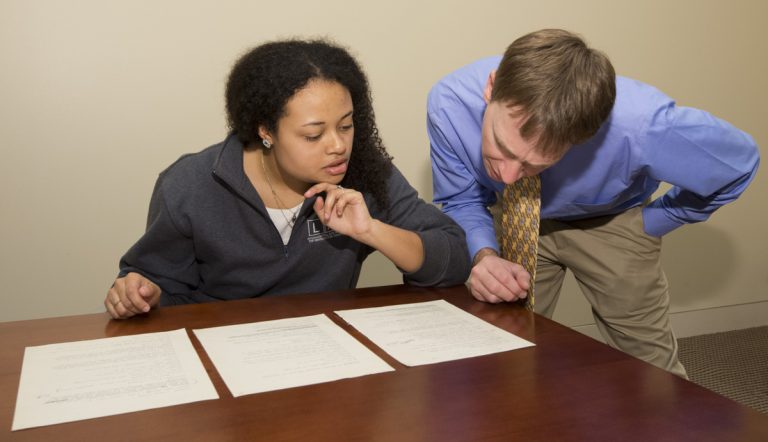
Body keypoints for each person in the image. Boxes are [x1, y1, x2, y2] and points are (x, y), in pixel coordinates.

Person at [427, 29, 759, 377]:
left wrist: (651, 223)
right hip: (516, 215)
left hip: (611, 221)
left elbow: (737, 165)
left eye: (534, 164)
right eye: (501, 147)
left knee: (651, 373)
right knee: (499, 356)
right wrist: (485, 255)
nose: (508, 177)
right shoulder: (449, 105)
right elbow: (462, 199)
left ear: (584, 138)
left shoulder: (640, 124)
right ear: (492, 87)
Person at [105, 39, 471, 319]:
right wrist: (141, 292)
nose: (338, 146)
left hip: (326, 355)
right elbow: (158, 288)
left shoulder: (365, 174)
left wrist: (371, 230)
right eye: (313, 135)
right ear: (265, 131)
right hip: (222, 354)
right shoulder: (191, 184)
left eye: (346, 126)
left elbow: (454, 257)